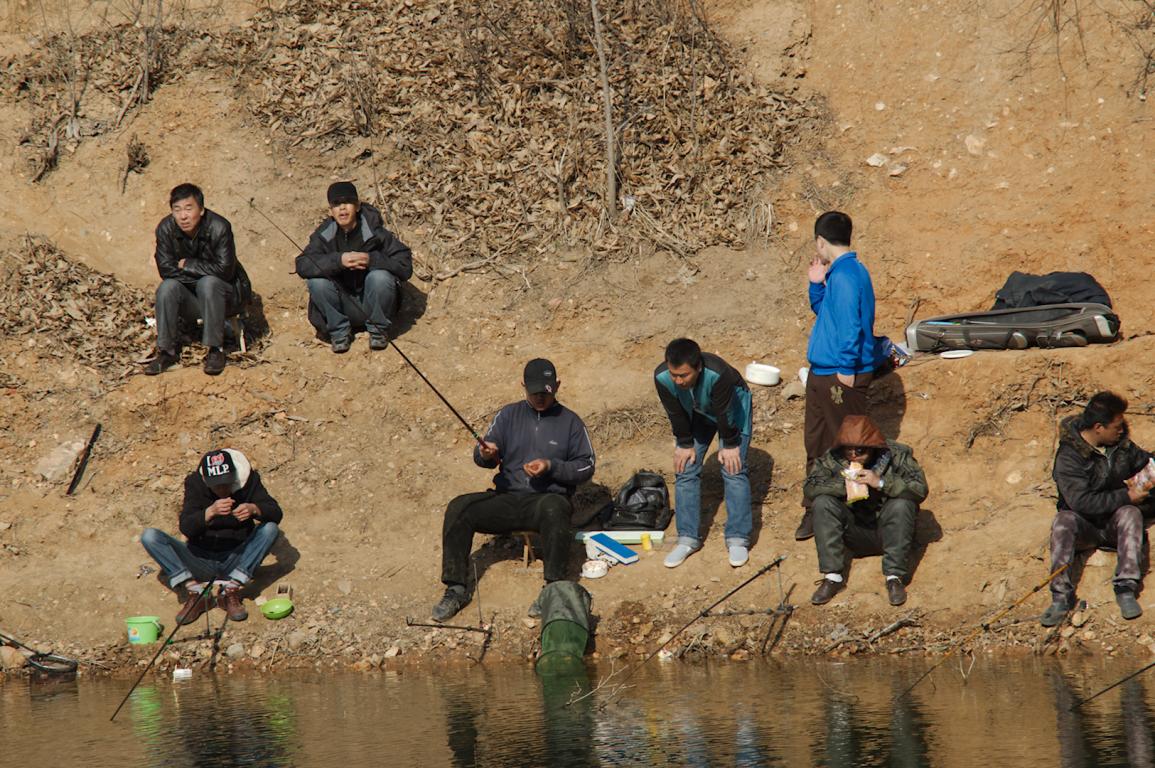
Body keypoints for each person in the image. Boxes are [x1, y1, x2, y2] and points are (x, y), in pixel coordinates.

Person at [432, 359, 596, 622]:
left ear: (557, 386)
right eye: (534, 392)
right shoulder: (508, 415)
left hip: (546, 500)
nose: (540, 398)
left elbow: (586, 466)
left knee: (555, 508)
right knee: (459, 507)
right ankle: (456, 589)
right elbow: (484, 456)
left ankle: (552, 589)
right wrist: (486, 454)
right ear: (523, 386)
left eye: (545, 392)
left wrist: (551, 466)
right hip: (507, 498)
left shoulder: (571, 422)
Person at [795, 210, 887, 541]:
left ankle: (859, 515)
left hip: (840, 373)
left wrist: (846, 368)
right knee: (816, 442)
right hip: (823, 372)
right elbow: (827, 314)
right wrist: (816, 285)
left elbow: (851, 326)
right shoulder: (838, 275)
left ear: (821, 242)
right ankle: (816, 507)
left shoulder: (848, 276)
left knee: (850, 446)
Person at [1042, 392, 1152, 626]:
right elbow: (1082, 503)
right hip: (1085, 526)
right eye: (1116, 426)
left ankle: (1125, 589)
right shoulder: (1069, 457)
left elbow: (1145, 462)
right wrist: (1126, 496)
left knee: (1131, 513)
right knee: (1063, 521)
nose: (1121, 430)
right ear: (1098, 427)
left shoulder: (1121, 446)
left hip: (1114, 523)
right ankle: (1060, 598)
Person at [141, 448, 283, 624]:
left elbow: (276, 513)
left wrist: (254, 509)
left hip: (236, 558)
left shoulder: (249, 481)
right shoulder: (194, 483)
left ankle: (231, 590)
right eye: (217, 485)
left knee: (270, 529)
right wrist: (208, 513)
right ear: (206, 481)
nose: (222, 489)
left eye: (226, 483)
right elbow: (186, 527)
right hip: (200, 559)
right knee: (150, 536)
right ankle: (196, 592)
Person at [805, 415, 927, 607]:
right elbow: (810, 487)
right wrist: (843, 485)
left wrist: (881, 483)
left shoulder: (897, 454)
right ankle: (832, 577)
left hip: (890, 532)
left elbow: (919, 489)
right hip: (853, 532)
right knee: (822, 502)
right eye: (848, 449)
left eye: (860, 450)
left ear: (873, 446)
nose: (853, 454)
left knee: (902, 504)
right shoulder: (832, 458)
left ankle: (894, 577)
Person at [654, 338, 753, 568]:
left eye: (684, 375)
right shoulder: (662, 377)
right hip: (699, 410)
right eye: (674, 375)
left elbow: (726, 412)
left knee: (733, 468)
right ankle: (688, 538)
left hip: (732, 410)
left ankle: (738, 537)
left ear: (698, 367)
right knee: (685, 466)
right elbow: (675, 412)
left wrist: (730, 444)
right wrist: (684, 443)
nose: (678, 381)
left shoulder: (718, 373)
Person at [145, 184, 252, 376]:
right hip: (193, 299)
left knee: (209, 283)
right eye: (177, 210)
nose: (183, 216)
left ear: (201, 210)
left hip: (226, 297)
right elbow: (166, 269)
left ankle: (215, 350)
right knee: (167, 287)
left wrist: (189, 265)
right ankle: (166, 352)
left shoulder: (219, 227)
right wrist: (199, 276)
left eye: (188, 208)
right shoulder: (165, 228)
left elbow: (225, 271)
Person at [295, 181, 413, 353]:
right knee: (316, 282)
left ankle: (378, 332)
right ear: (331, 211)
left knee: (380, 277)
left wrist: (372, 260)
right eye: (336, 204)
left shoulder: (376, 233)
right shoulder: (323, 236)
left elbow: (405, 265)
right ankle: (339, 334)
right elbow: (302, 264)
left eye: (348, 202)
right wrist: (338, 261)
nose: (342, 208)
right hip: (342, 306)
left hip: (372, 305)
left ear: (357, 206)